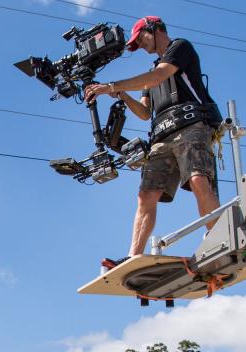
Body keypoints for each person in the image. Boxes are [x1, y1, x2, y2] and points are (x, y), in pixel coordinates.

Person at [83, 16, 222, 268]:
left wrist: (111, 85)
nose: (141, 47)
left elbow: (160, 76)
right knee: (146, 194)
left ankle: (220, 240)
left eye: (141, 39)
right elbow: (145, 113)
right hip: (162, 135)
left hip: (191, 125)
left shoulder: (180, 47)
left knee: (198, 178)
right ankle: (134, 257)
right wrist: (122, 94)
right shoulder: (150, 74)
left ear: (154, 29)